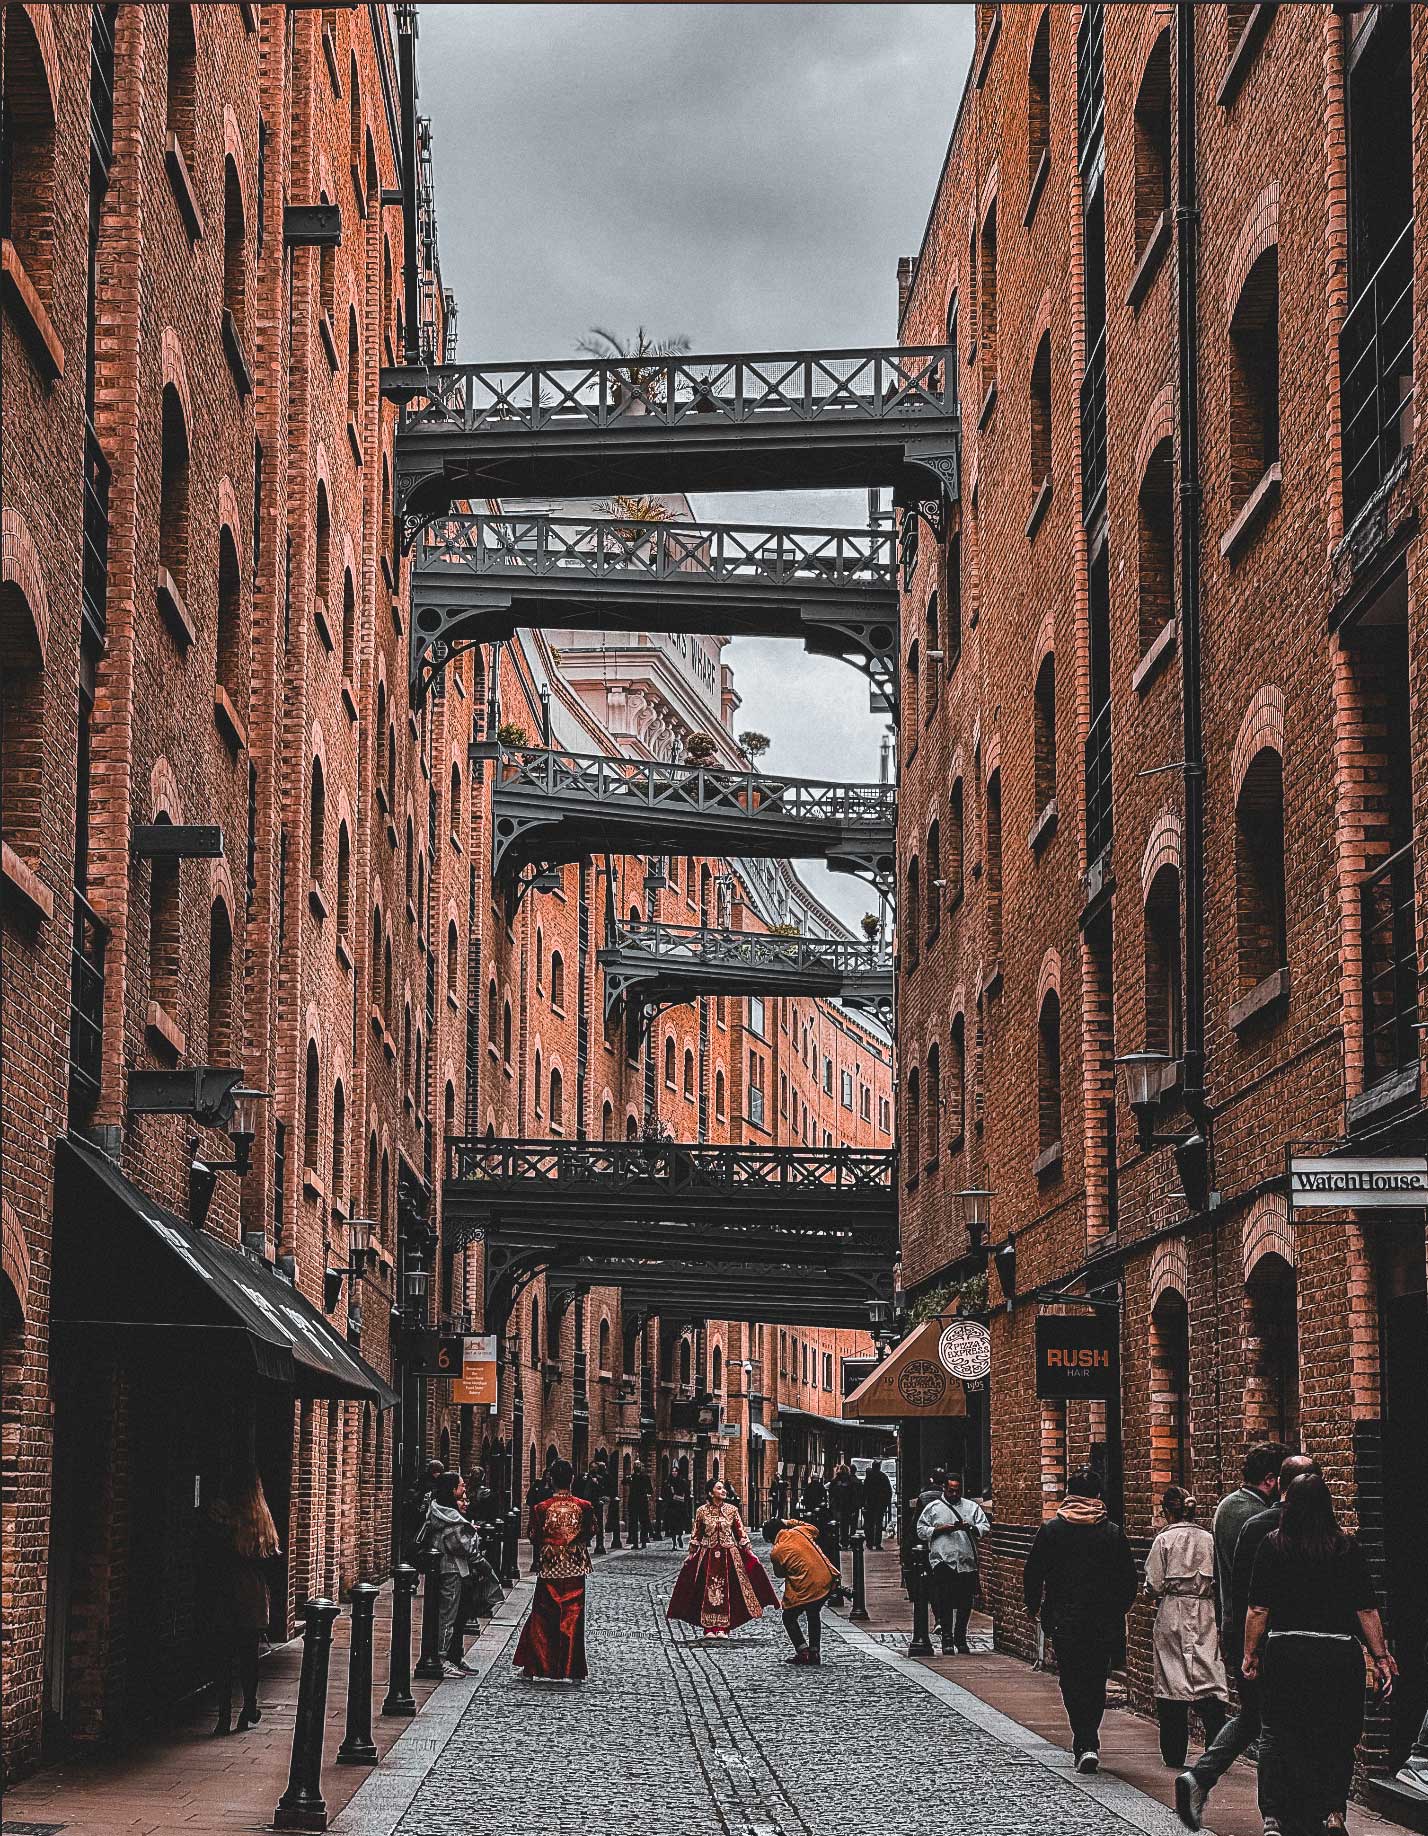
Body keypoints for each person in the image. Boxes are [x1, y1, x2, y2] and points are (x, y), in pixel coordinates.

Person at [1241, 1471, 1396, 1836]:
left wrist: (1250, 1652)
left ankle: (1276, 1816)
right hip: (1337, 1655)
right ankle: (1332, 1810)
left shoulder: (1272, 1545)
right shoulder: (1346, 1548)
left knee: (1280, 1732)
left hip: (1287, 1651)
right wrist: (1381, 1655)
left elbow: (1258, 1609)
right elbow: (1366, 1609)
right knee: (1336, 1736)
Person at [1175, 1453, 1317, 1830]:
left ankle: (1202, 1779)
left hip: (1244, 1633)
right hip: (1268, 1638)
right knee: (1271, 1723)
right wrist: (1249, 1646)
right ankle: (1275, 1816)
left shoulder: (1231, 1510)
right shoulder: (1265, 1523)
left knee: (1256, 1718)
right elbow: (1255, 1597)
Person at [1023, 1465, 1138, 1774]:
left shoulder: (1052, 1530)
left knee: (1071, 1679)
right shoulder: (1112, 1533)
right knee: (1095, 1680)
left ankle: (1084, 1740)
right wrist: (1117, 1609)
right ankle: (1089, 1739)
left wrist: (1033, 1605)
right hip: (1101, 1620)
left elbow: (1034, 1571)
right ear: (1098, 1497)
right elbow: (1128, 1580)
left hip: (1065, 1618)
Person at [1143, 1486, 1228, 1769]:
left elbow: (1153, 1584)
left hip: (1173, 1612)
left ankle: (1174, 1752)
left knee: (1170, 1680)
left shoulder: (1164, 1540)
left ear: (1167, 1511)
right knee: (1209, 1675)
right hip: (1204, 1610)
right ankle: (1215, 1748)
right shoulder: (1209, 1539)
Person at [207, 1469, 281, 1735]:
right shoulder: (263, 1522)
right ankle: (249, 1708)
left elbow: (214, 1554)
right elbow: (272, 1562)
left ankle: (223, 1717)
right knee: (249, 1657)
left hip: (228, 1593)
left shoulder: (227, 1521)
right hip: (253, 1596)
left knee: (224, 1658)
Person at [513, 1458, 597, 1682]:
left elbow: (534, 1535)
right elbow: (591, 1531)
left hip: (550, 1567)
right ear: (571, 1479)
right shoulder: (584, 1506)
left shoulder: (541, 1508)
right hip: (575, 1567)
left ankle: (538, 1665)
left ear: (550, 1480)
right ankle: (571, 1668)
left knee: (543, 1616)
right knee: (573, 1618)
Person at [667, 1480, 778, 1638]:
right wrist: (691, 1554)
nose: (723, 1491)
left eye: (723, 1488)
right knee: (707, 1590)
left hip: (729, 1555)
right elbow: (696, 1534)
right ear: (711, 1493)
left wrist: (749, 1552)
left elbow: (740, 1533)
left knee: (729, 1590)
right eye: (719, 1488)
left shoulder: (732, 1510)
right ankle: (709, 1627)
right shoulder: (701, 1511)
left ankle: (724, 1628)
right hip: (708, 1555)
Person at [1212, 1442, 1288, 1631]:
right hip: (1253, 1624)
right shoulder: (1258, 1517)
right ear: (1271, 1480)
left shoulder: (1226, 1505)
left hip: (1232, 1618)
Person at [917, 1471, 990, 1655]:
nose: (954, 1494)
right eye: (951, 1490)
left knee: (965, 1603)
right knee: (945, 1602)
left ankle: (960, 1636)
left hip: (966, 1561)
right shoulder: (934, 1508)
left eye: (957, 1490)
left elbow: (984, 1526)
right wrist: (938, 1530)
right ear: (945, 1488)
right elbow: (920, 1529)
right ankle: (947, 1638)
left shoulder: (971, 1507)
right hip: (943, 1561)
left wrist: (971, 1527)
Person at [422, 1472, 482, 1677]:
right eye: (461, 1486)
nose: (464, 1490)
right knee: (448, 1615)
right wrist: (473, 1534)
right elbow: (463, 1546)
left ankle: (453, 1656)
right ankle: (441, 1658)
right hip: (451, 1568)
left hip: (452, 1568)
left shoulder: (443, 1512)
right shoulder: (449, 1516)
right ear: (451, 1489)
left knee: (455, 1615)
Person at [765, 1513, 839, 1666]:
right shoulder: (800, 1531)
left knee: (788, 1617)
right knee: (813, 1613)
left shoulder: (776, 1552)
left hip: (808, 1587)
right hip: (828, 1579)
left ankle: (803, 1651)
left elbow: (779, 1574)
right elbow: (814, 1529)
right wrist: (789, 1522)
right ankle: (814, 1652)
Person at [863, 1459, 894, 1551]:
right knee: (878, 1524)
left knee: (869, 1524)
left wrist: (864, 1502)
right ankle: (877, 1543)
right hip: (880, 1504)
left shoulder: (868, 1477)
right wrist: (887, 1503)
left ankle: (869, 1543)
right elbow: (889, 1491)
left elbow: (864, 1491)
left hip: (870, 1503)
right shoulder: (883, 1477)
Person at [829, 1463, 860, 1547]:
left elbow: (831, 1492)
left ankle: (840, 1541)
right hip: (848, 1506)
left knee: (840, 1525)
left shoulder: (835, 1481)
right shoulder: (850, 1480)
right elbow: (854, 1494)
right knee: (849, 1524)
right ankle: (850, 1541)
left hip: (838, 1506)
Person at [628, 1460, 653, 1549]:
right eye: (635, 1464)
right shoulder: (631, 1477)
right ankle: (635, 1542)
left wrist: (647, 1494)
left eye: (638, 1464)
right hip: (633, 1502)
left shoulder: (645, 1477)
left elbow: (650, 1490)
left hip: (642, 1502)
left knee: (644, 1522)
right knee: (633, 1523)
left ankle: (643, 1541)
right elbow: (623, 1482)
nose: (636, 1466)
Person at [667, 1464, 692, 1549]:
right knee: (672, 1525)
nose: (674, 1473)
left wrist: (682, 1498)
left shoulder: (682, 1481)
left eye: (675, 1471)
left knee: (680, 1525)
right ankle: (674, 1543)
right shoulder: (669, 1482)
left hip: (680, 1507)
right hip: (672, 1507)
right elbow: (665, 1493)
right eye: (673, 1471)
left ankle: (679, 1537)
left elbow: (687, 1493)